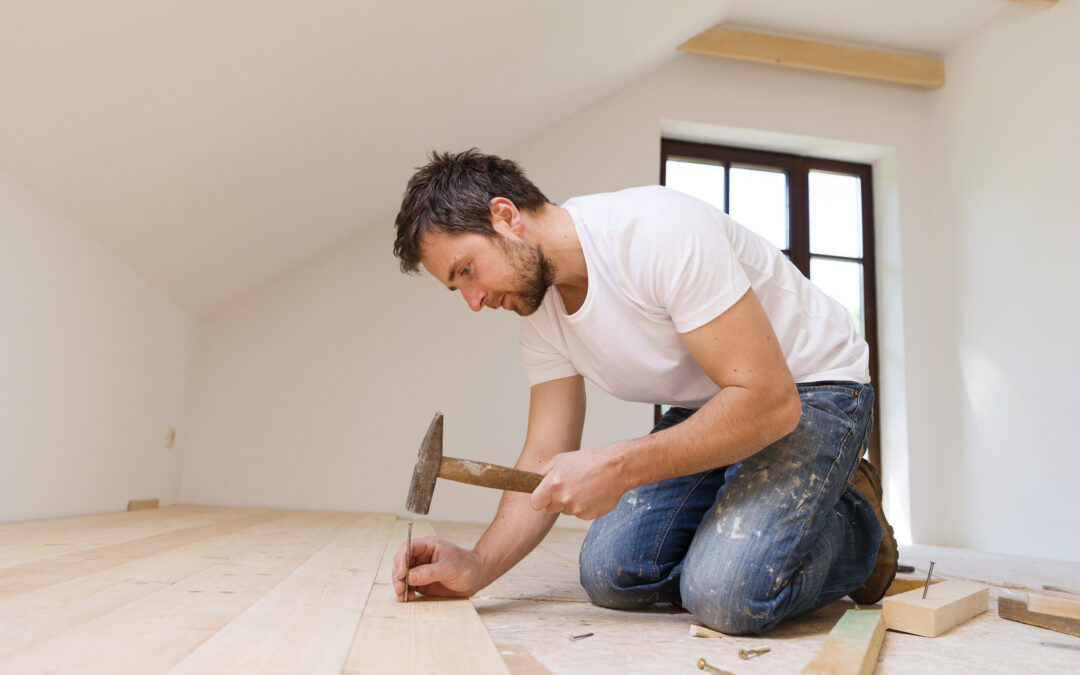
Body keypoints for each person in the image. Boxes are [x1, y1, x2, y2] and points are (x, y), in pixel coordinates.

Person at [389, 149, 897, 634]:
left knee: (727, 595)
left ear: (505, 216)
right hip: (717, 403)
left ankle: (854, 523)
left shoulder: (656, 232)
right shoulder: (541, 318)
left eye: (467, 271)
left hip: (808, 391)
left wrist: (618, 465)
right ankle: (750, 519)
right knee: (611, 574)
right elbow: (545, 455)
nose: (474, 301)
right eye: (458, 289)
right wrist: (477, 567)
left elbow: (771, 402)